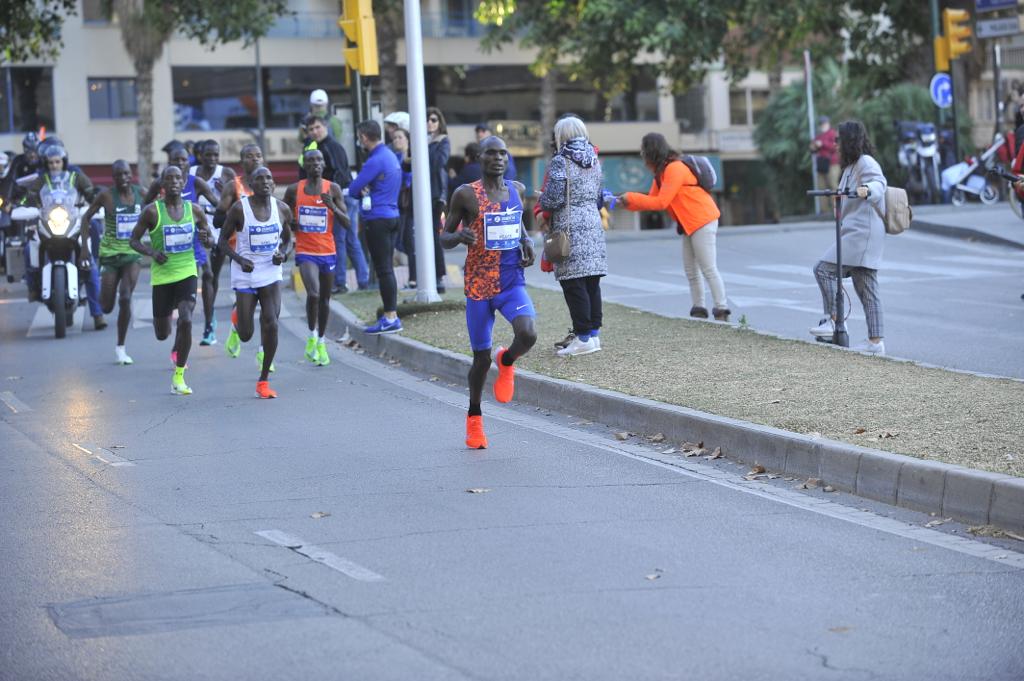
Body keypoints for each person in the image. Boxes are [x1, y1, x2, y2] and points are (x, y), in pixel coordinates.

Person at [441, 135, 537, 449]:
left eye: (502, 153)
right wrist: (459, 236)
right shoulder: (465, 194)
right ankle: (474, 419)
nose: (498, 158)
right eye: (491, 153)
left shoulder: (517, 190)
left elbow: (519, 225)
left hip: (511, 281)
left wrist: (527, 242)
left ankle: (507, 361)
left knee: (528, 335)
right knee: (480, 360)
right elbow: (444, 237)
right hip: (479, 285)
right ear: (480, 158)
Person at [619, 133, 728, 321]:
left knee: (708, 267)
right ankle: (699, 308)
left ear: (651, 152)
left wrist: (630, 197)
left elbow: (661, 202)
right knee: (691, 270)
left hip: (702, 219)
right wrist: (626, 202)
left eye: (643, 151)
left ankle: (721, 309)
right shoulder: (661, 174)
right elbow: (651, 201)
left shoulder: (675, 169)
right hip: (689, 223)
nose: (642, 155)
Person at [128, 166, 211, 395]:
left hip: (187, 272)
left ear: (184, 183)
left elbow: (209, 238)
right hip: (163, 278)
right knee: (162, 333)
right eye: (169, 178)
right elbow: (133, 241)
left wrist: (206, 238)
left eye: (178, 178)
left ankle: (179, 376)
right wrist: (152, 253)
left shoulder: (194, 210)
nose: (174, 181)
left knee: (185, 320)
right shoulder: (152, 212)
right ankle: (172, 324)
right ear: (162, 185)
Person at [809, 120, 888, 355]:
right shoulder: (851, 167)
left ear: (849, 141)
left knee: (823, 269)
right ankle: (875, 343)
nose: (836, 145)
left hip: (862, 233)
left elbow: (879, 183)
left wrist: (868, 190)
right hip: (856, 231)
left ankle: (834, 320)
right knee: (866, 288)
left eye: (839, 140)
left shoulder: (865, 162)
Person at [218, 167, 294, 398]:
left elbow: (289, 239)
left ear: (273, 182)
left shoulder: (281, 208)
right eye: (259, 178)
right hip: (246, 274)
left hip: (271, 272)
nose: (265, 181)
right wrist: (240, 259)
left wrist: (283, 253)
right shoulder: (239, 209)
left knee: (271, 322)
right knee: (246, 334)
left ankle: (263, 381)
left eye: (269, 178)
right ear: (251, 183)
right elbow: (222, 242)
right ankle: (237, 320)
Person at [539, 116, 607, 357]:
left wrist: (541, 199)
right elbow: (599, 195)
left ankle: (583, 336)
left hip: (571, 227)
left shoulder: (561, 161)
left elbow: (554, 198)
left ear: (561, 135)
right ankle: (594, 336)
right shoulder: (593, 158)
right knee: (591, 283)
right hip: (592, 223)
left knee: (573, 283)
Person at [146, 144, 218, 356]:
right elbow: (144, 205)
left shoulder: (196, 182)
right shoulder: (161, 184)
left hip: (192, 240)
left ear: (189, 162)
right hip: (166, 246)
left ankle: (205, 324)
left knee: (207, 275)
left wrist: (223, 200)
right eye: (176, 160)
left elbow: (216, 204)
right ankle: (169, 312)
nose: (180, 163)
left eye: (184, 160)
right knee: (163, 329)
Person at [284, 149, 349, 366]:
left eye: (319, 160)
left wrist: (332, 206)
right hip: (305, 250)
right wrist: (290, 223)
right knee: (313, 293)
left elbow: (347, 222)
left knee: (325, 299)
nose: (315, 164)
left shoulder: (333, 189)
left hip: (327, 251)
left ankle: (321, 340)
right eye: (311, 161)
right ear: (305, 165)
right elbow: (283, 213)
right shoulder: (295, 189)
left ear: (323, 163)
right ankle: (311, 335)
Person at [80, 160, 146, 364]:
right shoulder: (106, 196)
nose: (123, 178)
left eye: (126, 174)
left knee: (125, 297)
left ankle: (121, 347)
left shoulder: (141, 193)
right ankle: (100, 296)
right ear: (113, 178)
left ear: (131, 174)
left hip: (132, 254)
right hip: (109, 254)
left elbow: (157, 212)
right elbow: (86, 218)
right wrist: (84, 248)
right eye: (119, 175)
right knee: (106, 307)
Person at [348, 120, 403, 334]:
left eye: (359, 136)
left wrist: (364, 188)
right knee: (387, 268)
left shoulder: (375, 160)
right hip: (392, 215)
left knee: (383, 270)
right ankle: (391, 315)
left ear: (363, 137)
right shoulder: (390, 156)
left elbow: (353, 189)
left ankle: (390, 317)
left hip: (377, 218)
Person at [213, 143, 262, 359]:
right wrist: (237, 218)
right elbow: (217, 220)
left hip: (264, 251)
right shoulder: (233, 187)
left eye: (258, 156)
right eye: (250, 156)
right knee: (246, 303)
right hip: (240, 252)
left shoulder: (266, 181)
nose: (255, 159)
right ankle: (236, 327)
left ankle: (264, 352)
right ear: (242, 161)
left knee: (268, 304)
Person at [190, 140, 237, 345]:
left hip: (218, 225)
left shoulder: (226, 173)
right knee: (205, 273)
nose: (212, 159)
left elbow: (239, 199)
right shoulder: (192, 172)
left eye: (216, 155)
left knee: (212, 276)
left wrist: (226, 190)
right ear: (201, 155)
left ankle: (210, 318)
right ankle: (208, 323)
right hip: (196, 226)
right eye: (208, 155)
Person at [427, 107, 450, 292]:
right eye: (426, 119)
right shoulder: (419, 139)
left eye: (433, 119)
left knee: (434, 236)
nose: (429, 122)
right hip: (420, 195)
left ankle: (439, 276)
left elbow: (439, 163)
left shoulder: (442, 141)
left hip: (436, 195)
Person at [390, 127, 417, 287]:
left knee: (409, 240)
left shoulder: (412, 156)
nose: (396, 141)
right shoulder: (393, 157)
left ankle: (413, 278)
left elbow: (409, 179)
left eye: (400, 137)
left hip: (408, 203)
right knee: (399, 240)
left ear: (407, 139)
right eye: (394, 138)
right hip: (396, 203)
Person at [811, 116, 840, 214]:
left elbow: (835, 146)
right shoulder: (819, 135)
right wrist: (814, 146)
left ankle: (836, 209)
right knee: (821, 187)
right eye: (822, 124)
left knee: (833, 186)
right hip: (822, 164)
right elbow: (813, 148)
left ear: (828, 123)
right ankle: (824, 211)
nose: (823, 125)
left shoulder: (833, 133)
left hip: (832, 164)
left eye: (825, 123)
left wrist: (822, 144)